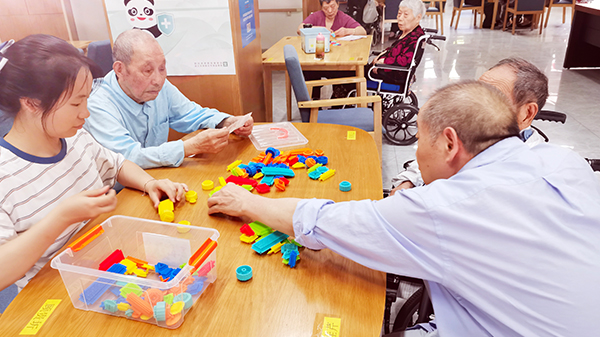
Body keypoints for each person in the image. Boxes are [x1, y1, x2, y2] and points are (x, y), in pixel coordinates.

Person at [207, 81, 600, 336]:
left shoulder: (445, 208)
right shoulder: (562, 159)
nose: (415, 152)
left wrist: (245, 201)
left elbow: (321, 222)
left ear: (449, 143)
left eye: (418, 140)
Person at [0, 34, 188, 292]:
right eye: (77, 102)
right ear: (32, 103)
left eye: (87, 98)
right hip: (57, 292)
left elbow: (118, 164)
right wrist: (62, 217)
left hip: (106, 266)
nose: (85, 112)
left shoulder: (76, 139)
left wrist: (150, 183)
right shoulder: (5, 175)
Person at [85, 29, 253, 169]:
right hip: (116, 194)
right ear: (120, 69)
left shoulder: (159, 87)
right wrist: (188, 147)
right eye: (147, 70)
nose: (158, 80)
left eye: (162, 68)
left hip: (156, 177)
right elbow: (128, 158)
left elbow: (191, 114)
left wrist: (227, 121)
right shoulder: (97, 105)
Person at [391, 57, 548, 193]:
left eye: (491, 97)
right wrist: (409, 181)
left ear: (527, 113)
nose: (473, 101)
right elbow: (432, 151)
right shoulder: (473, 123)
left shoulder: (524, 171)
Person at [367, 0, 426, 85]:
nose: (400, 18)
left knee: (351, 74)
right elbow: (394, 49)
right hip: (386, 70)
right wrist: (381, 55)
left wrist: (384, 61)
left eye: (405, 15)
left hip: (392, 75)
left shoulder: (415, 37)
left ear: (418, 18)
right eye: (399, 13)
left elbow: (405, 60)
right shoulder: (406, 32)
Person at [297, 0, 367, 37]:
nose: (330, 11)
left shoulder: (343, 17)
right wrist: (321, 30)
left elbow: (363, 32)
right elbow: (299, 29)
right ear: (321, 8)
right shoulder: (316, 16)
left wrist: (347, 31)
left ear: (338, 5)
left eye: (332, 6)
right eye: (326, 8)